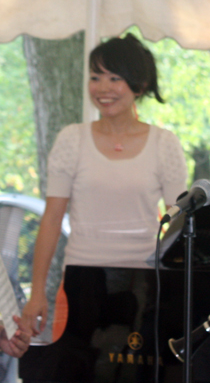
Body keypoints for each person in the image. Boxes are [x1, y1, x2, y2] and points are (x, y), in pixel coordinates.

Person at [22, 34, 188, 337]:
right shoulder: (71, 139)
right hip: (81, 279)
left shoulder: (164, 144)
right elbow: (51, 219)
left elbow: (178, 222)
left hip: (144, 282)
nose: (103, 88)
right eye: (96, 77)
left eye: (115, 78)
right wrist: (36, 294)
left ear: (138, 85)